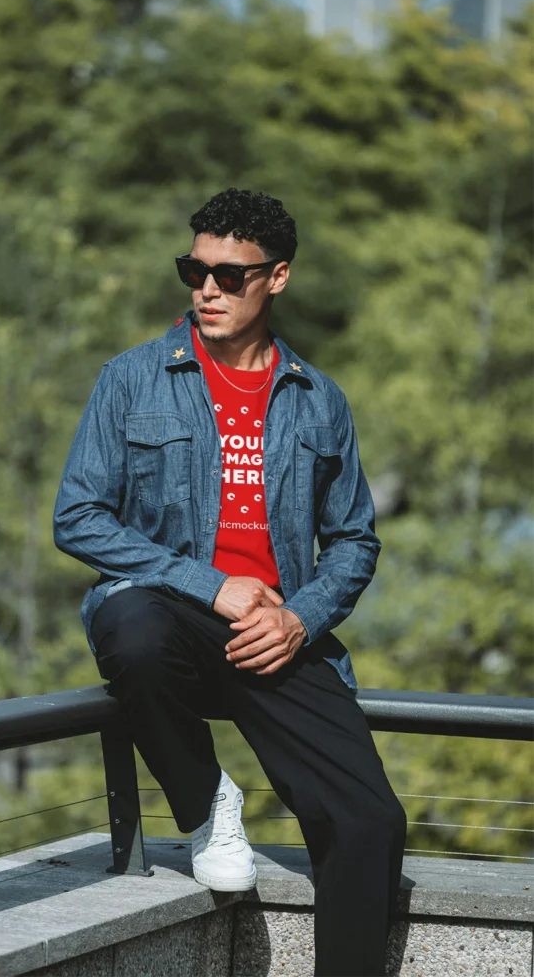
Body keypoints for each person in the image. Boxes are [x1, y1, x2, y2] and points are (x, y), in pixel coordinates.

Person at [53, 187, 406, 976]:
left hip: (277, 635)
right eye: (193, 269)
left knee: (370, 823)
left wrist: (300, 619)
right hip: (172, 616)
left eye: (228, 274)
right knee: (130, 625)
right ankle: (207, 803)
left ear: (275, 278)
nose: (205, 289)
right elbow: (78, 517)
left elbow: (352, 539)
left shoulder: (319, 400)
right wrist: (210, 585)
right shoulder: (132, 378)